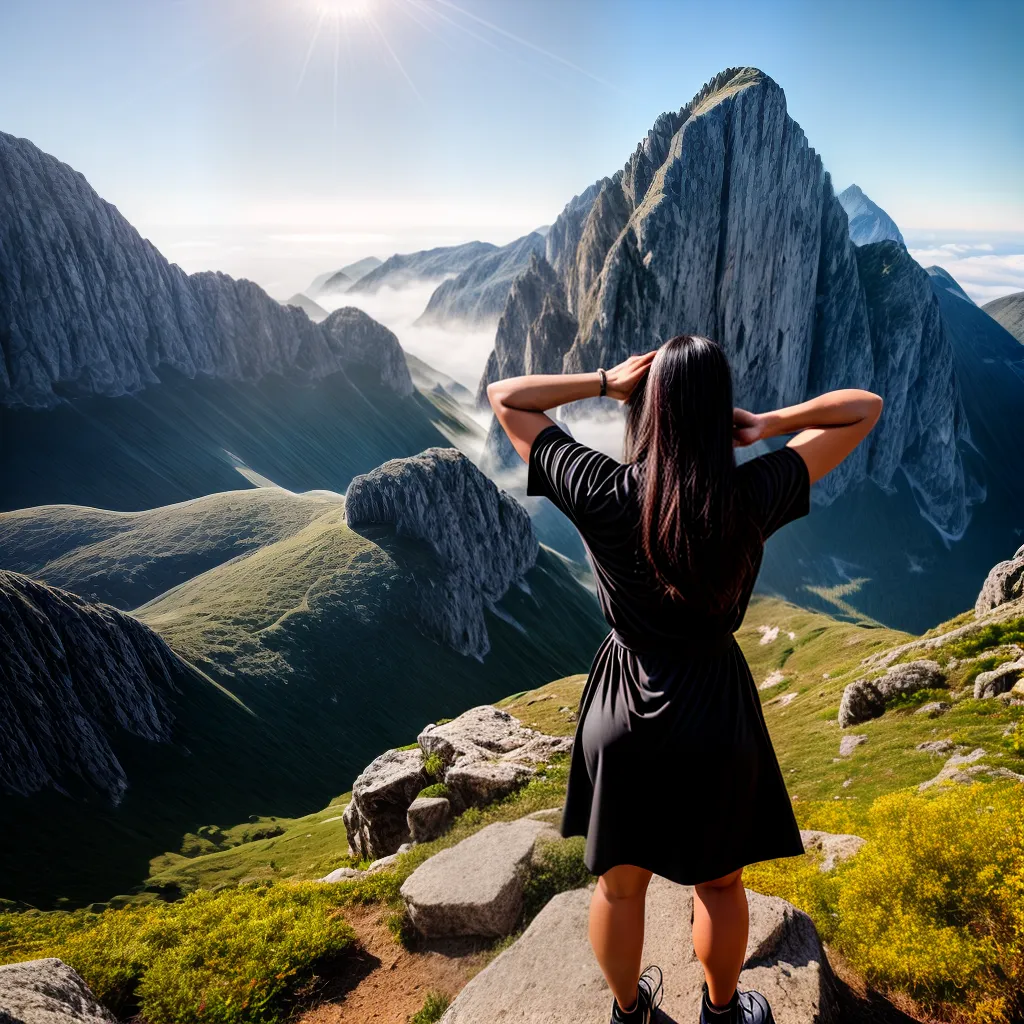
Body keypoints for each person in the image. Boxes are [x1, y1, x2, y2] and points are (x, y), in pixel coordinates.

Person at [487, 335, 883, 1024]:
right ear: (716, 412)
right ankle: (725, 1012)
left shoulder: (601, 489)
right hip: (714, 709)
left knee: (618, 890)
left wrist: (606, 381)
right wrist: (771, 425)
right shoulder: (752, 493)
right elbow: (863, 411)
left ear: (651, 410)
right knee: (722, 886)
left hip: (623, 705)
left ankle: (626, 1010)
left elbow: (506, 398)